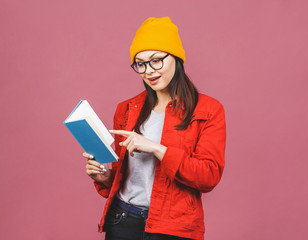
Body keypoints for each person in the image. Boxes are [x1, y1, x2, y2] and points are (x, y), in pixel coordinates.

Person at [83, 17, 226, 240]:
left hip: (174, 227)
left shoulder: (208, 110)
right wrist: (103, 176)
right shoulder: (127, 109)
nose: (149, 70)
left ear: (176, 58)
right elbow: (128, 177)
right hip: (122, 220)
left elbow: (208, 177)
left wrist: (157, 148)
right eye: (140, 63)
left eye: (156, 60)